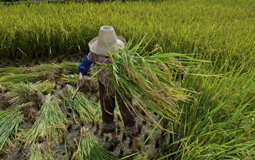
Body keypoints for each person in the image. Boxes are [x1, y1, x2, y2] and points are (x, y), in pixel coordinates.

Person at [76, 26, 139, 156]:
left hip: (121, 85)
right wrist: (81, 74)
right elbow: (86, 61)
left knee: (127, 112)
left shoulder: (121, 53)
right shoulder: (95, 53)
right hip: (104, 84)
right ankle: (114, 138)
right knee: (106, 110)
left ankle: (134, 143)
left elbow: (132, 68)